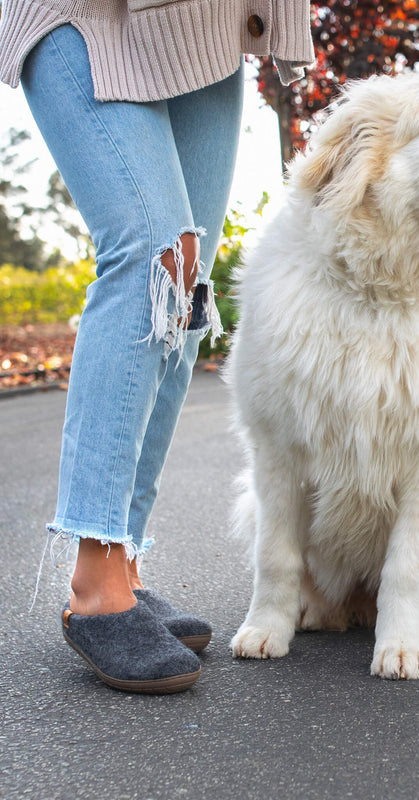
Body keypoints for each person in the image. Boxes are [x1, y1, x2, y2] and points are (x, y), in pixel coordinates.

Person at [0, 0, 313, 693]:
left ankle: (127, 560)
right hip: (86, 15)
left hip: (201, 25)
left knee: (186, 293)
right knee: (153, 259)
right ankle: (94, 575)